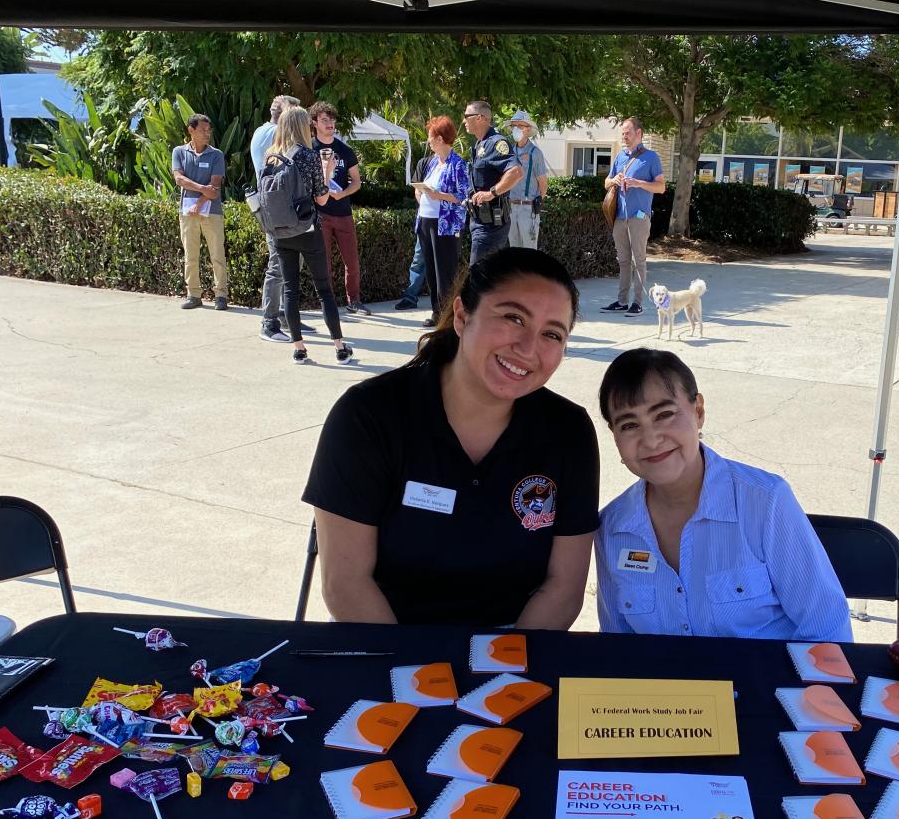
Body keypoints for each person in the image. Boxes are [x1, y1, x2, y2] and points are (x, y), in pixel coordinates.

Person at [303, 247, 598, 627]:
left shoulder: (568, 431)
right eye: (513, 318)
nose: (528, 349)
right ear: (462, 315)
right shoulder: (368, 415)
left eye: (552, 334)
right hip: (383, 641)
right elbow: (345, 584)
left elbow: (564, 587)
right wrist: (417, 682)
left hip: (515, 649)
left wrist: (506, 679)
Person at [594, 348, 851, 641]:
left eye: (664, 414)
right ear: (615, 436)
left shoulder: (765, 501)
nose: (651, 440)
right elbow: (617, 645)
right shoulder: (612, 528)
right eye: (629, 425)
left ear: (698, 411)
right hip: (664, 687)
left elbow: (828, 629)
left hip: (767, 686)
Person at [261, 105, 354, 366]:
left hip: (280, 232)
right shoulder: (308, 156)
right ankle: (339, 347)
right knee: (324, 290)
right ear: (303, 126)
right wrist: (326, 169)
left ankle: (299, 349)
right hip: (307, 229)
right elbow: (322, 198)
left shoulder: (271, 155)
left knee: (291, 289)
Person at [601, 117, 665, 317]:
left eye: (627, 133)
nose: (624, 136)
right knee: (623, 260)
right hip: (620, 217)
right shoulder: (620, 157)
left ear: (639, 133)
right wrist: (614, 180)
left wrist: (639, 183)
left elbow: (661, 187)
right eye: (622, 133)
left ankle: (637, 303)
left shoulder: (651, 157)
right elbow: (606, 183)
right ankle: (622, 301)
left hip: (639, 217)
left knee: (639, 260)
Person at [309, 101, 368, 315]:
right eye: (325, 120)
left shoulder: (344, 150)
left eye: (332, 119)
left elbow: (357, 181)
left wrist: (343, 193)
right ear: (314, 122)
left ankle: (355, 300)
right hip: (320, 213)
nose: (330, 124)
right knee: (324, 263)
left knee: (351, 262)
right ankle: (328, 303)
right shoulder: (309, 149)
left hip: (343, 212)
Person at [414, 116, 472, 329]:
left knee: (445, 272)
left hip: (445, 224)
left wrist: (439, 195)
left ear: (439, 138)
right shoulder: (431, 163)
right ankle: (436, 312)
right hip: (427, 221)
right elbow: (423, 190)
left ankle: (448, 317)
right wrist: (422, 195)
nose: (428, 142)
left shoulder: (457, 164)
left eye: (430, 138)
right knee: (430, 269)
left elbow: (463, 195)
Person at [251, 93, 300, 343]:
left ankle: (281, 316)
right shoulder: (275, 137)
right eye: (294, 115)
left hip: (274, 206)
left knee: (285, 262)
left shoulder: (261, 131)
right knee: (278, 264)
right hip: (278, 208)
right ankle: (269, 322)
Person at [172, 113, 229, 311]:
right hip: (187, 213)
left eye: (208, 130)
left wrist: (201, 200)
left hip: (212, 212)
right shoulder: (179, 152)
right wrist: (202, 189)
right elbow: (179, 179)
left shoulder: (216, 154)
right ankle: (193, 294)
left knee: (217, 255)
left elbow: (215, 185)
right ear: (191, 130)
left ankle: (221, 295)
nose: (207, 134)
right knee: (191, 255)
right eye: (203, 130)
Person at [461, 101, 523, 265]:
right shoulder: (479, 145)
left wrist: (491, 193)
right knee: (492, 279)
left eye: (467, 116)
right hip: (480, 222)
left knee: (479, 278)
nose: (464, 120)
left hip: (491, 226)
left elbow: (516, 172)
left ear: (479, 118)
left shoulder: (496, 143)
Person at [506, 110, 550, 250]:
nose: (516, 129)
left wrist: (537, 202)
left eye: (520, 125)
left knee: (529, 252)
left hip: (528, 208)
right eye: (514, 126)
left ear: (528, 129)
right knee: (514, 251)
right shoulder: (509, 152)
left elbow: (543, 183)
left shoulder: (535, 153)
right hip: (511, 208)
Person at [394, 153, 432, 313]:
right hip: (424, 219)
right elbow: (417, 189)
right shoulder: (424, 163)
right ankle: (410, 297)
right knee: (419, 260)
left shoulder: (453, 162)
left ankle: (445, 300)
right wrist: (425, 203)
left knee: (443, 264)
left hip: (444, 222)